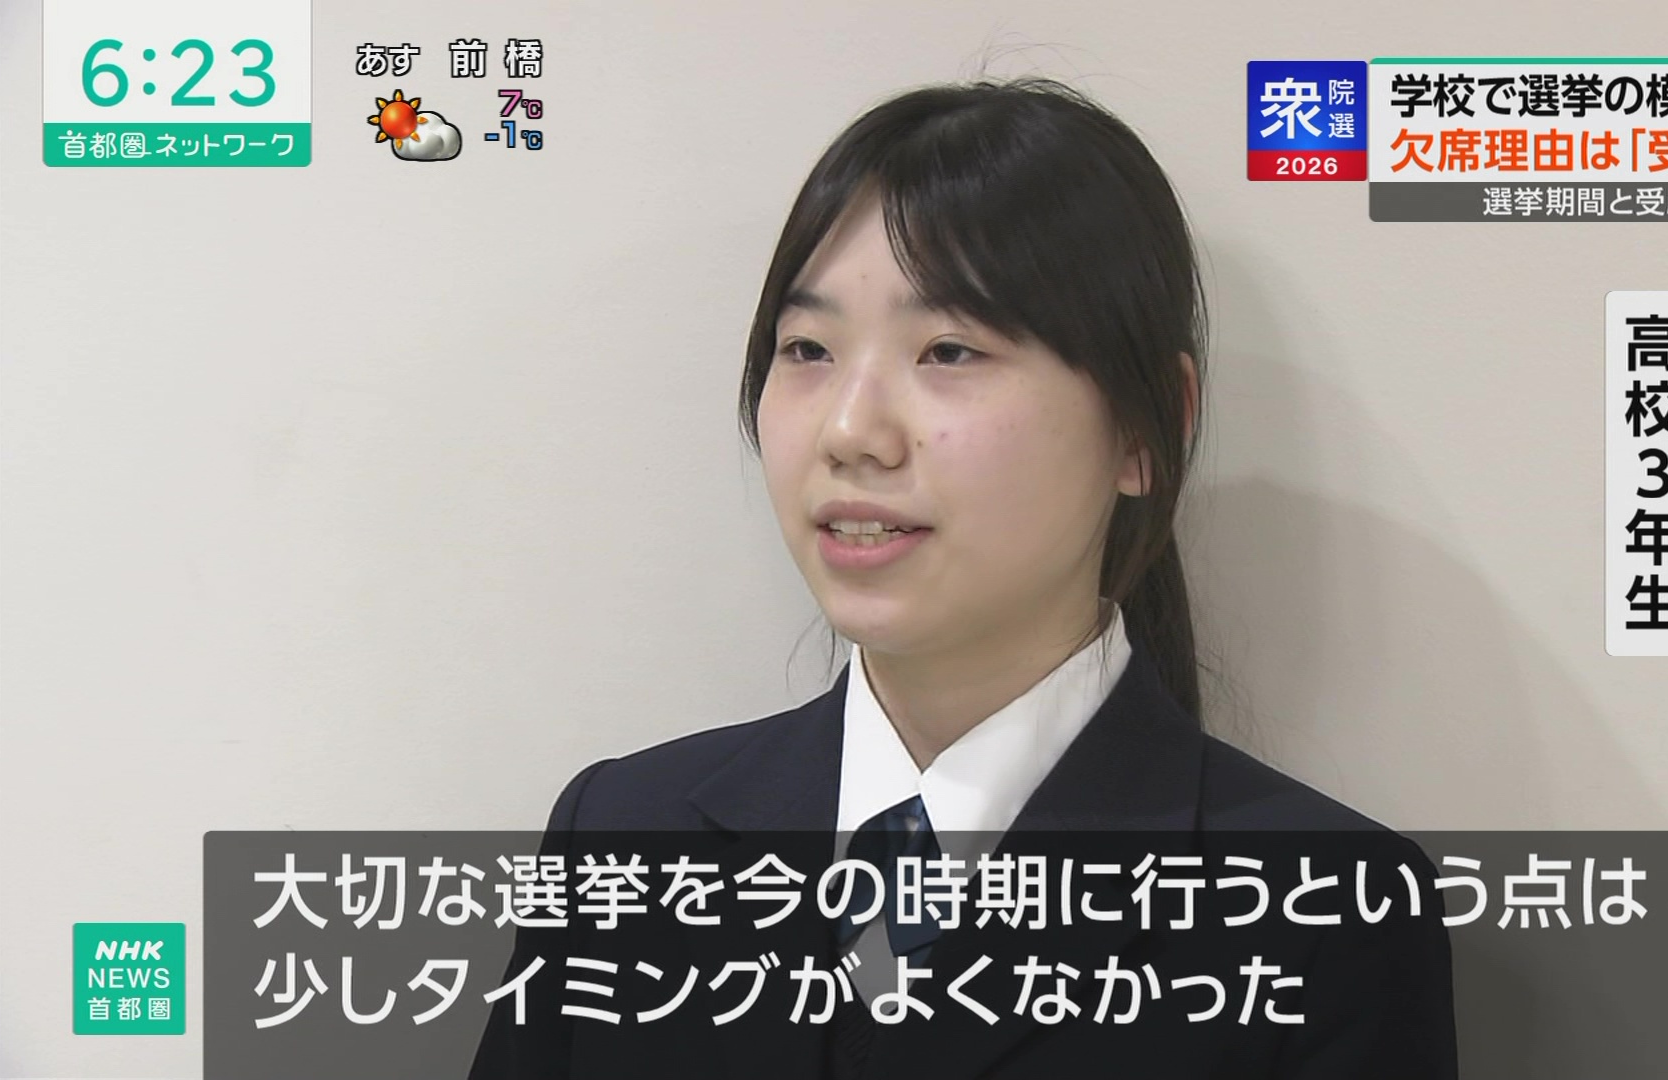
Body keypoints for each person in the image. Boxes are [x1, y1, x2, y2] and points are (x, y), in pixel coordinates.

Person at [470, 77, 1457, 1080]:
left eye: (948, 350)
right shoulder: (623, 831)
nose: (851, 431)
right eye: (807, 349)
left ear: (1146, 426)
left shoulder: (1329, 915)